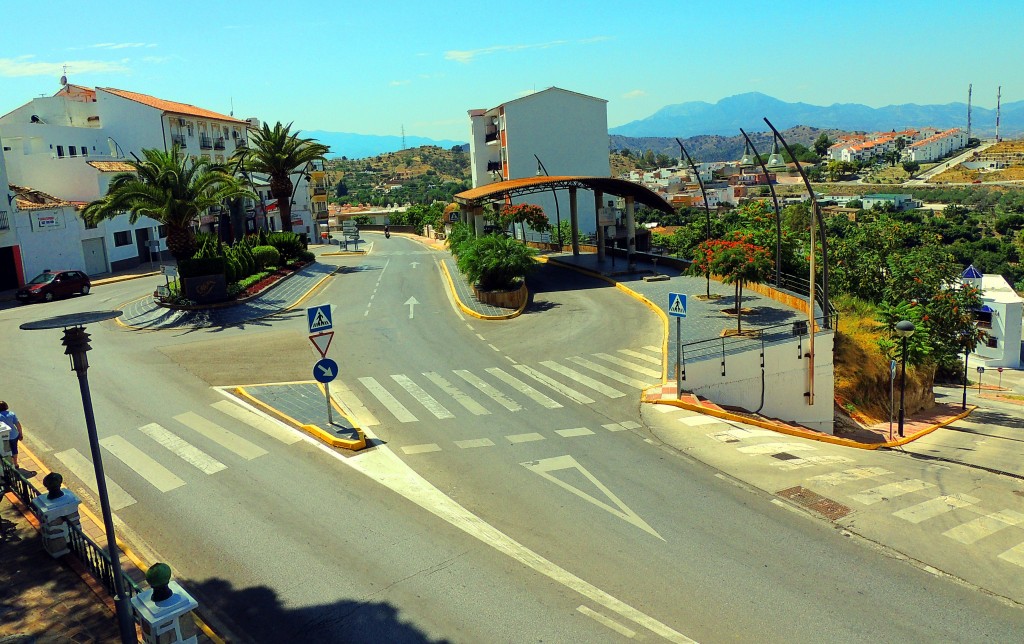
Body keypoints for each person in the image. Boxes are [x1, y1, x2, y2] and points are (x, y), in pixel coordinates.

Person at [0, 401, 23, 469]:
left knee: (7, 450)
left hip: (4, 437)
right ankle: (16, 463)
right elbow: (18, 425)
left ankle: (9, 464)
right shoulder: (11, 414)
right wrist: (20, 434)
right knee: (14, 449)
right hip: (14, 435)